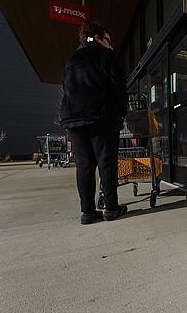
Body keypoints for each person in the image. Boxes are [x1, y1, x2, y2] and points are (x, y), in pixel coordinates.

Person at [60, 20, 128, 224]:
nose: (111, 44)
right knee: (106, 162)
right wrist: (121, 113)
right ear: (98, 37)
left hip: (73, 118)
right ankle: (111, 208)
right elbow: (119, 88)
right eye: (108, 40)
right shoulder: (106, 56)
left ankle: (87, 212)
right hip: (101, 116)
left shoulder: (72, 60)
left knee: (84, 164)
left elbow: (66, 89)